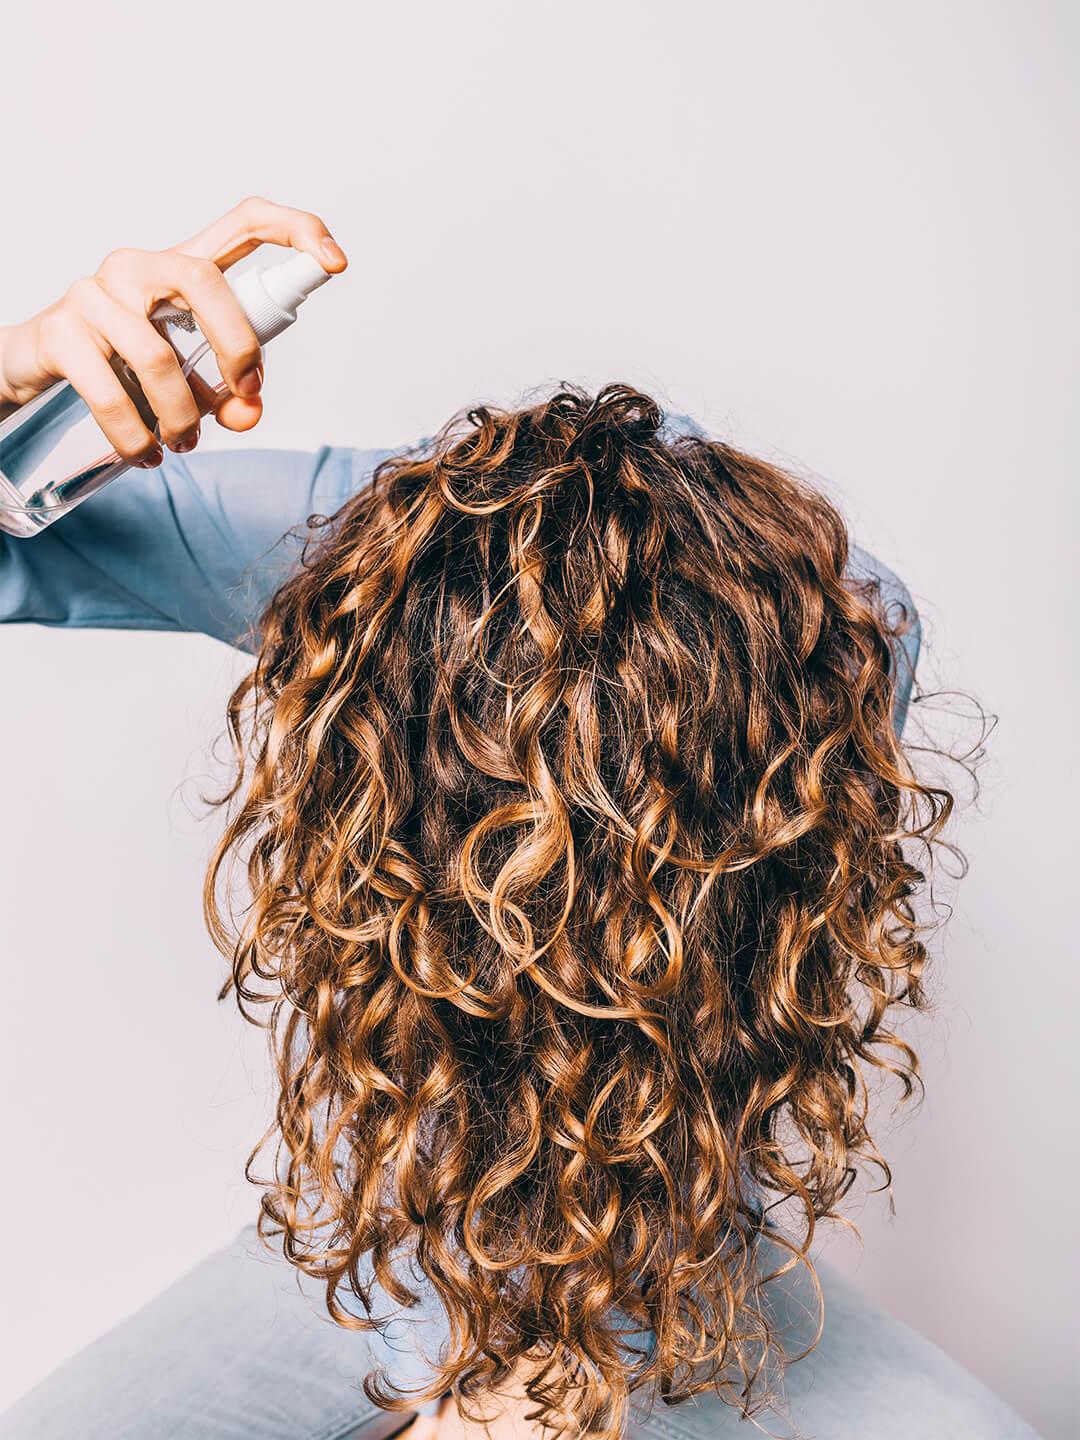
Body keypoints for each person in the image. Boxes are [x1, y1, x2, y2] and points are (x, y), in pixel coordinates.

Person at [0, 200, 1040, 1440]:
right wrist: (14, 370)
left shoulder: (841, 641)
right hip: (369, 1230)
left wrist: (545, 1385)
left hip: (669, 1257)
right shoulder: (377, 563)